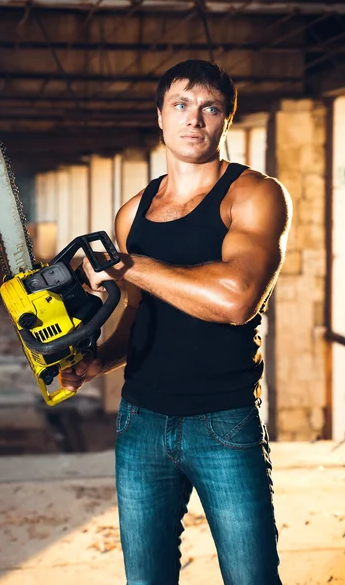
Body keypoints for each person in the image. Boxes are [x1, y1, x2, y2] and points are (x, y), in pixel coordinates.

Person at [59, 59, 292, 585]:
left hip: (222, 419)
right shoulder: (133, 212)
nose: (194, 120)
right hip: (139, 419)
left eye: (210, 108)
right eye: (181, 106)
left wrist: (128, 264)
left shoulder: (254, 195)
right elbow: (141, 310)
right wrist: (99, 361)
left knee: (252, 578)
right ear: (160, 117)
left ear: (226, 120)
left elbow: (237, 299)